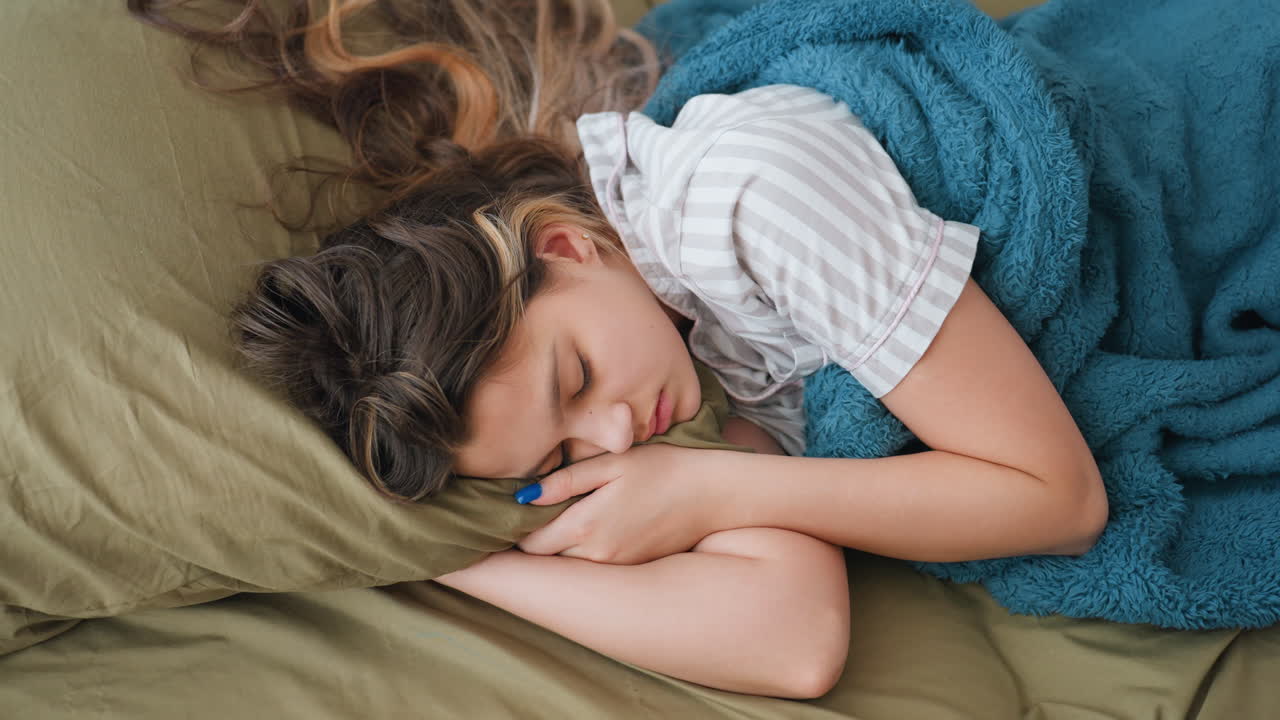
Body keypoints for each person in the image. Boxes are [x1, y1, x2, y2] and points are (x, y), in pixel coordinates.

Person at [130, 0, 1108, 699]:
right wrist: (440, 562)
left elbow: (1056, 500)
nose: (611, 439)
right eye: (557, 459)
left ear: (561, 243)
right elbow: (792, 643)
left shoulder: (749, 196)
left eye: (576, 378)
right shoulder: (667, 336)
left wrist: (718, 491)